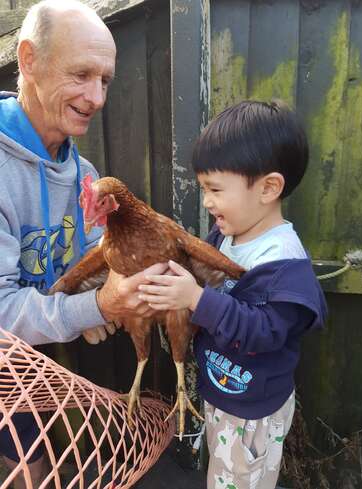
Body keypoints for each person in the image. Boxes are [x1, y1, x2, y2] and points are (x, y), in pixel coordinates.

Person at [0, 1, 166, 486]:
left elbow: (99, 259)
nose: (96, 97)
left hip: (29, 360)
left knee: (37, 452)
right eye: (81, 75)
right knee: (29, 462)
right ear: (28, 60)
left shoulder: (86, 177)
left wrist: (90, 299)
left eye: (106, 80)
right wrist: (95, 307)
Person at [138, 100, 328, 489]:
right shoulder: (227, 236)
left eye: (215, 189)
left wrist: (196, 300)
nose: (206, 201)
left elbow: (264, 333)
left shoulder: (284, 265)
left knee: (240, 481)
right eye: (203, 188)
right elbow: (198, 271)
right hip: (227, 394)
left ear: (268, 188)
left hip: (252, 411)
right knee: (225, 475)